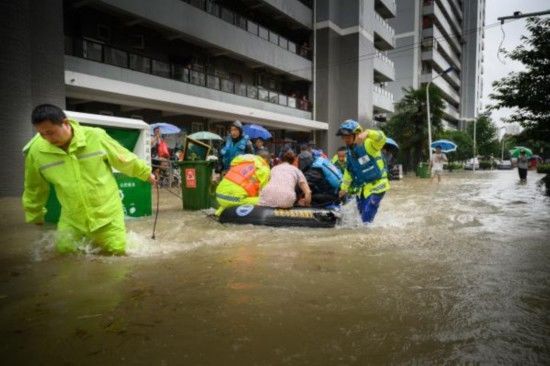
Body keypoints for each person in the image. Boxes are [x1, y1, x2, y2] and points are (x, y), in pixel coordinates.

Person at [22, 104, 156, 255]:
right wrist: (35, 213)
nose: (47, 138)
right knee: (65, 254)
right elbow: (34, 186)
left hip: (107, 215)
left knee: (117, 253)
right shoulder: (37, 152)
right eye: (41, 134)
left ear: (65, 123)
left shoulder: (95, 137)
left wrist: (145, 173)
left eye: (51, 132)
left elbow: (124, 158)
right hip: (72, 219)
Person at [336, 119, 390, 224]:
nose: (345, 139)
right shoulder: (349, 153)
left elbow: (382, 138)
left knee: (366, 219)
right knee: (360, 219)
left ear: (357, 134)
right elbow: (349, 173)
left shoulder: (369, 144)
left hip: (378, 186)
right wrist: (343, 189)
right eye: (343, 137)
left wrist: (368, 133)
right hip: (363, 189)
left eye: (348, 136)